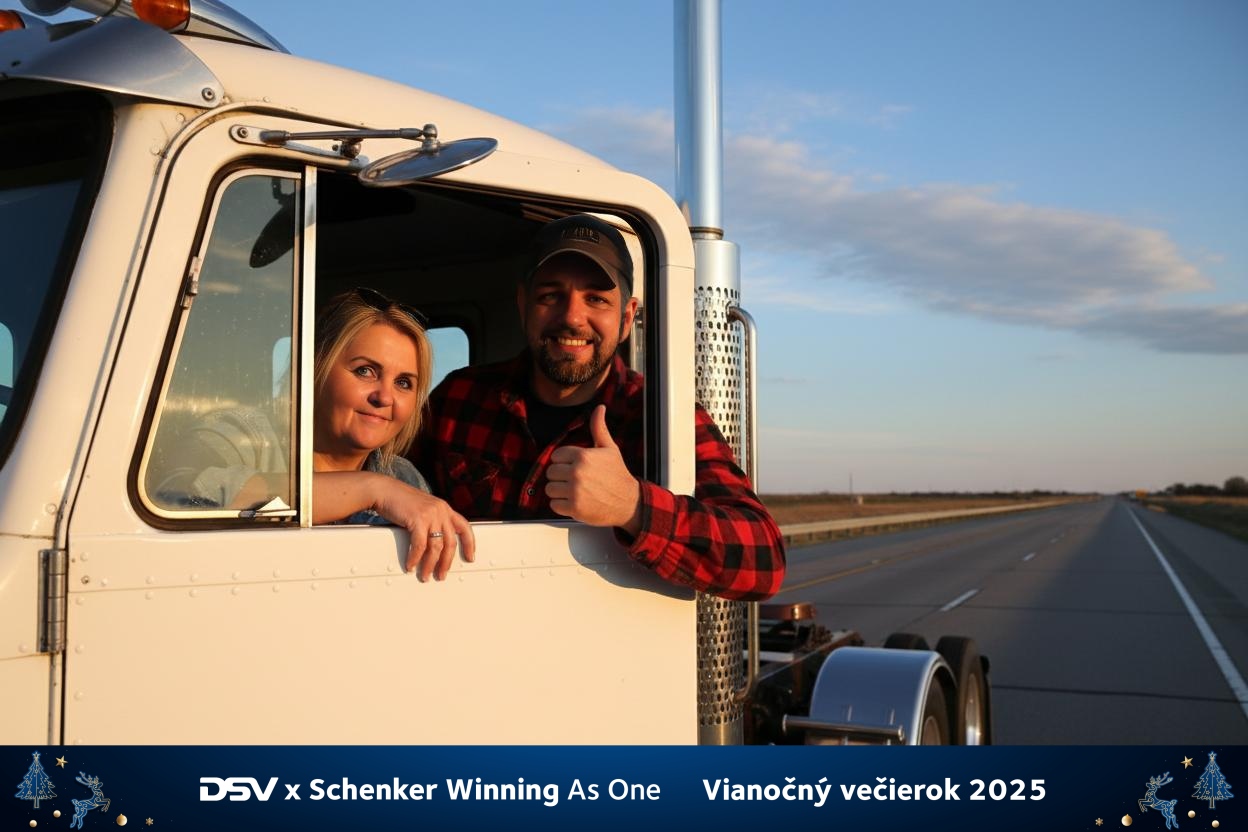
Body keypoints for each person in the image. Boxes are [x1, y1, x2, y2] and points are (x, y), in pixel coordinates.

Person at [413, 215, 784, 601]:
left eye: (596, 299)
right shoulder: (459, 398)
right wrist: (390, 491)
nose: (572, 317)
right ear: (524, 305)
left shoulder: (663, 417)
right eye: (551, 295)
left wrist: (633, 507)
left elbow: (764, 562)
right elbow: (391, 477)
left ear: (626, 318)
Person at [310, 288, 474, 581]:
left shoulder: (402, 476)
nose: (384, 397)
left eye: (403, 383)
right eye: (365, 371)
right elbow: (224, 495)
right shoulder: (251, 440)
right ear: (315, 367)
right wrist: (374, 491)